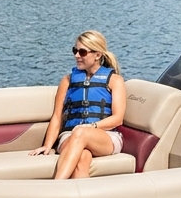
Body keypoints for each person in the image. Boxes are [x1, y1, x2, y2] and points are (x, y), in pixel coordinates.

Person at [30, 30, 127, 179]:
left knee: (81, 133)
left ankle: (56, 185)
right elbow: (57, 117)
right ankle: (80, 194)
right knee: (82, 157)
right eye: (75, 50)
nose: (76, 55)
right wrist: (47, 145)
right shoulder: (67, 81)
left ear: (97, 55)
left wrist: (91, 127)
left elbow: (118, 119)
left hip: (106, 136)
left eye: (82, 52)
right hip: (69, 135)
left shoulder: (115, 80)